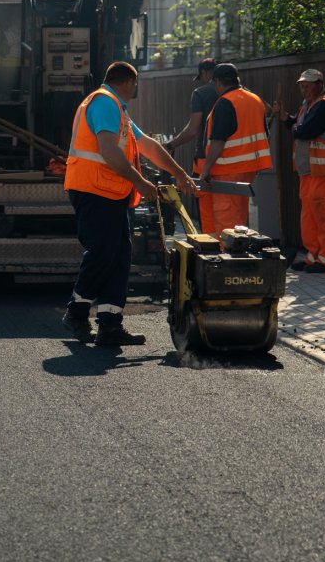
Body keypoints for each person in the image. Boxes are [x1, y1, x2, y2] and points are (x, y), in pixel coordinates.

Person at [61, 61, 196, 347]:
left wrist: (179, 173)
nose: (136, 90)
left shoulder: (117, 109)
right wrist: (141, 183)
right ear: (128, 82)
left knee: (120, 254)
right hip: (94, 190)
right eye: (135, 85)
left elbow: (146, 144)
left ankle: (110, 324)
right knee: (103, 252)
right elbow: (108, 151)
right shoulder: (104, 102)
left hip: (106, 192)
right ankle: (76, 311)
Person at [272, 68, 325, 272]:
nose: (304, 89)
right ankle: (314, 256)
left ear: (319, 85)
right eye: (302, 86)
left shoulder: (324, 106)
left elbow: (304, 131)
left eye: (308, 85)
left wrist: (295, 127)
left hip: (324, 173)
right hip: (310, 172)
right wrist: (286, 117)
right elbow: (297, 124)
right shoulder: (308, 106)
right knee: (310, 216)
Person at [199, 63, 272, 234]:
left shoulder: (225, 102)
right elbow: (264, 132)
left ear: (217, 82)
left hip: (228, 169)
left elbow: (218, 141)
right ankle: (237, 254)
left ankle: (227, 256)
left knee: (226, 218)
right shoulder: (255, 99)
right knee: (238, 215)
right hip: (249, 168)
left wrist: (206, 169)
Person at [165, 57, 219, 233]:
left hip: (205, 158)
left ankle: (211, 248)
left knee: (206, 209)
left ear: (204, 73)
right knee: (229, 207)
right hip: (234, 161)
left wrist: (171, 144)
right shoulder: (241, 93)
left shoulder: (201, 93)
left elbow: (193, 129)